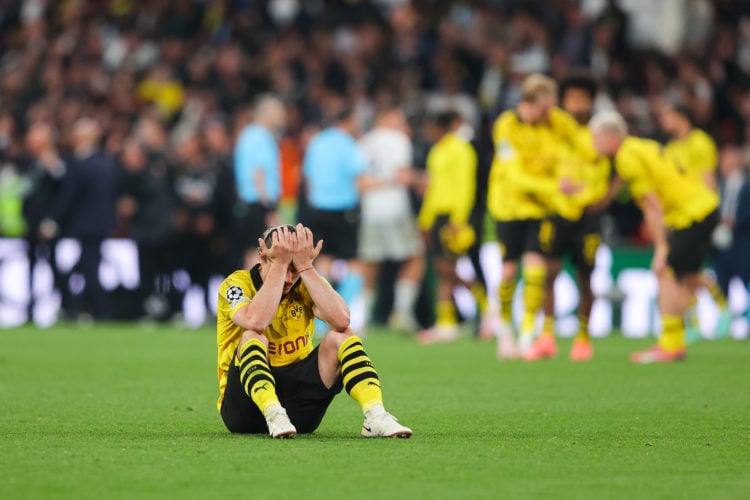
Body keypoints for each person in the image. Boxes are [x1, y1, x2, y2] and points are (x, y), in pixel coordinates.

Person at [216, 223, 412, 438]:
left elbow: (342, 320)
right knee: (253, 336)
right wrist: (282, 265)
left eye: (294, 269)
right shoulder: (235, 284)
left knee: (343, 336)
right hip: (245, 410)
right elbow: (256, 321)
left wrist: (307, 268)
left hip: (299, 410)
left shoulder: (305, 280)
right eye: (282, 266)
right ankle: (273, 413)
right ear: (261, 258)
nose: (289, 278)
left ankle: (375, 416)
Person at [590, 110, 720, 363]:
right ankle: (693, 324)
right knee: (683, 275)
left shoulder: (627, 157)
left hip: (692, 213)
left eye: (596, 137)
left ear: (611, 137)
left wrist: (661, 246)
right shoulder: (641, 146)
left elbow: (652, 204)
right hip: (702, 208)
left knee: (665, 271)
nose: (593, 143)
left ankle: (671, 344)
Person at [487, 74, 585, 360]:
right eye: (545, 108)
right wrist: (556, 186)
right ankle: (505, 330)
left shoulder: (554, 121)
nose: (550, 113)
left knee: (536, 271)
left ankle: (528, 334)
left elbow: (582, 143)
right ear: (528, 102)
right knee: (507, 273)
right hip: (508, 207)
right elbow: (515, 176)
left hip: (541, 208)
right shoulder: (506, 126)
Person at [530, 71, 615, 361]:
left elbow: (621, 167)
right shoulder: (554, 129)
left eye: (582, 98)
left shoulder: (600, 132)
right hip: (557, 212)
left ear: (591, 103)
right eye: (572, 98)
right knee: (548, 274)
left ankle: (582, 337)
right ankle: (547, 335)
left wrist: (605, 197)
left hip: (588, 215)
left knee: (585, 278)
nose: (577, 104)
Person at [659, 103, 730, 338]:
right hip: (679, 216)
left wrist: (713, 215)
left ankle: (719, 311)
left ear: (682, 117)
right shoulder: (670, 148)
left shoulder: (700, 142)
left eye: (668, 116)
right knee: (686, 271)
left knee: (679, 267)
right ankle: (699, 320)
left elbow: (708, 178)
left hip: (700, 213)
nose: (664, 122)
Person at [40, 118, 119, 320]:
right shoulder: (106, 162)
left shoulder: (80, 163)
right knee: (86, 267)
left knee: (88, 270)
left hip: (85, 225)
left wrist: (52, 221)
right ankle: (83, 309)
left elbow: (68, 196)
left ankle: (97, 312)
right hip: (101, 224)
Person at [357, 107, 424, 333]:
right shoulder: (399, 139)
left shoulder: (363, 142)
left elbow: (361, 184)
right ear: (384, 118)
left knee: (370, 263)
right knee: (415, 257)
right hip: (396, 208)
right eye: (398, 117)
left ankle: (361, 316)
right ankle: (402, 312)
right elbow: (403, 177)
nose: (402, 122)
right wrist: (419, 179)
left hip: (370, 211)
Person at [416, 110, 477, 344]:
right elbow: (433, 189)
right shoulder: (437, 150)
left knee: (448, 269)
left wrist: (458, 220)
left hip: (453, 216)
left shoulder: (461, 149)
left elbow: (465, 186)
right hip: (439, 216)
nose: (429, 132)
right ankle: (448, 322)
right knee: (443, 269)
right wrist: (426, 221)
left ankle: (470, 314)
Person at [301, 106, 367, 322]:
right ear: (348, 120)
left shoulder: (317, 142)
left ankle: (321, 318)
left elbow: (307, 180)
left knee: (323, 262)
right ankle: (340, 310)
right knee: (355, 262)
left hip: (318, 209)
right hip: (344, 210)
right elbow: (360, 181)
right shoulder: (349, 145)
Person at [234, 94, 286, 269]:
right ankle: (257, 293)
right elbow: (259, 174)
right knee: (261, 253)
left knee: (252, 251)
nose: (282, 115)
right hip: (260, 203)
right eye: (278, 111)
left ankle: (250, 293)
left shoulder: (247, 134)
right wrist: (269, 207)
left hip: (249, 204)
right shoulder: (261, 137)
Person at [712, 145, 750, 306]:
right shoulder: (717, 186)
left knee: (746, 281)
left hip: (743, 243)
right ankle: (724, 319)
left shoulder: (747, 186)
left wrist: (736, 220)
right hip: (721, 246)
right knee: (721, 285)